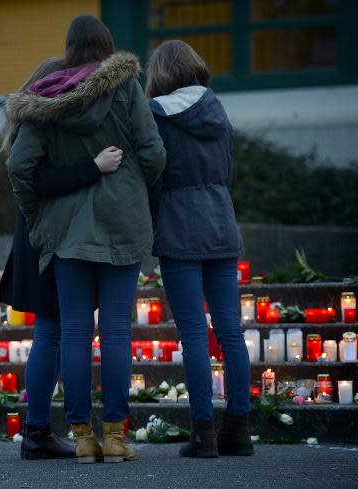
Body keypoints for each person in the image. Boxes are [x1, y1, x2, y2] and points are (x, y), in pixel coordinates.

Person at [5, 15, 165, 464]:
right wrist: (133, 187)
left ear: (69, 47)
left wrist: (39, 217)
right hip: (122, 224)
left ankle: (80, 438)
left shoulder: (48, 98)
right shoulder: (126, 88)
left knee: (73, 331)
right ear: (108, 45)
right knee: (115, 331)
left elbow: (19, 167)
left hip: (67, 233)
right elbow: (154, 152)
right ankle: (114, 437)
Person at [0, 57, 125, 460]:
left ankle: (36, 429)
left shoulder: (28, 123)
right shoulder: (43, 124)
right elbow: (42, 181)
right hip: (46, 240)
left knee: (50, 334)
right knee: (51, 332)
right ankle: (36, 431)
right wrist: (93, 167)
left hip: (38, 236)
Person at [146, 39, 252, 458]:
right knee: (230, 332)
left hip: (178, 229)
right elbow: (227, 171)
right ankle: (239, 432)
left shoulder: (156, 115)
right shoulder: (216, 108)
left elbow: (154, 176)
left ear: (160, 72)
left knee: (193, 334)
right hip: (221, 224)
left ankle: (203, 434)